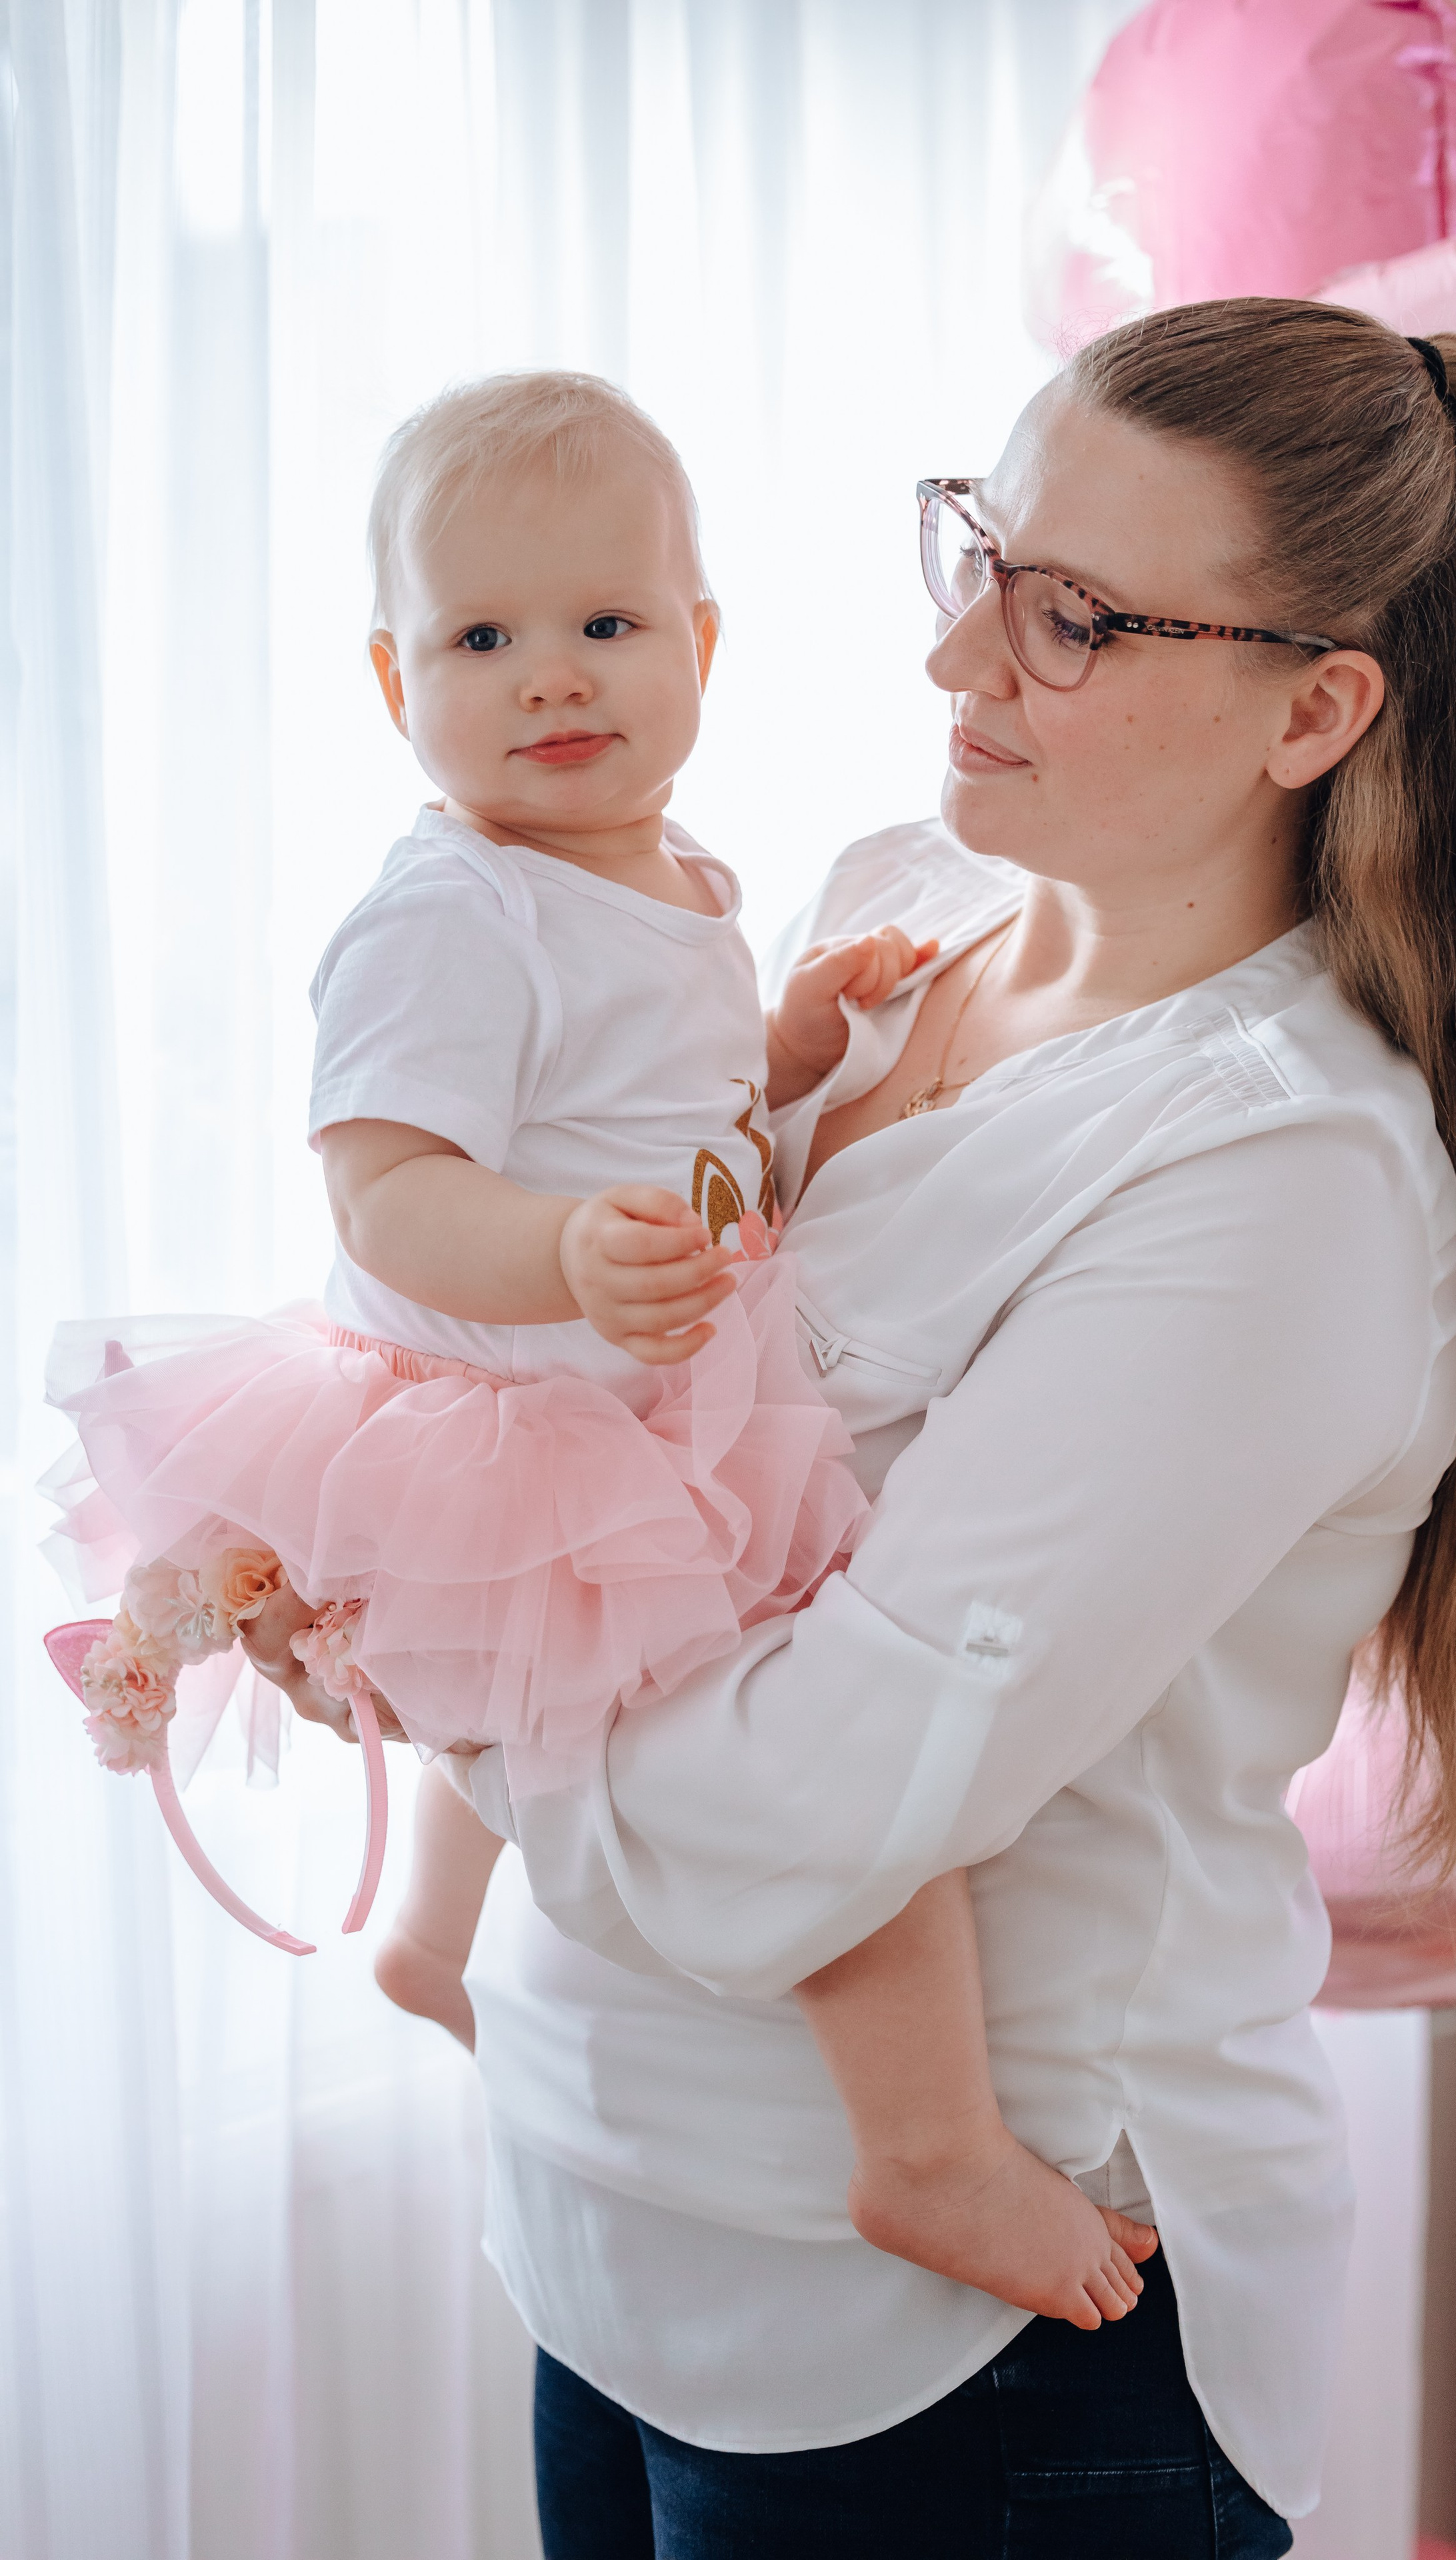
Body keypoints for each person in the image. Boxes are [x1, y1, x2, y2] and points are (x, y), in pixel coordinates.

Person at [245, 301, 1456, 2555]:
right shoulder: (895, 906)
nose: (954, 658)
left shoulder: (1277, 1179)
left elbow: (818, 1805)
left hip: (961, 2363)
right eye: (980, 552)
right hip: (602, 2205)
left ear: (1315, 711)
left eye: (1075, 617)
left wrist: (430, 1638)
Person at [45, 368, 1153, 2333]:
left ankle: (427, 1937)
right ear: (393, 683)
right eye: (481, 639)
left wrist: (787, 1047)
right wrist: (554, 1249)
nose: (552, 676)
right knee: (825, 1735)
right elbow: (384, 1189)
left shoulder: (667, 870)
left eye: (608, 623)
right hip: (505, 1403)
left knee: (554, 1673)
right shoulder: (452, 915)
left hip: (591, 1391)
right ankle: (927, 2147)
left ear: (701, 647)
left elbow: (676, 1108)